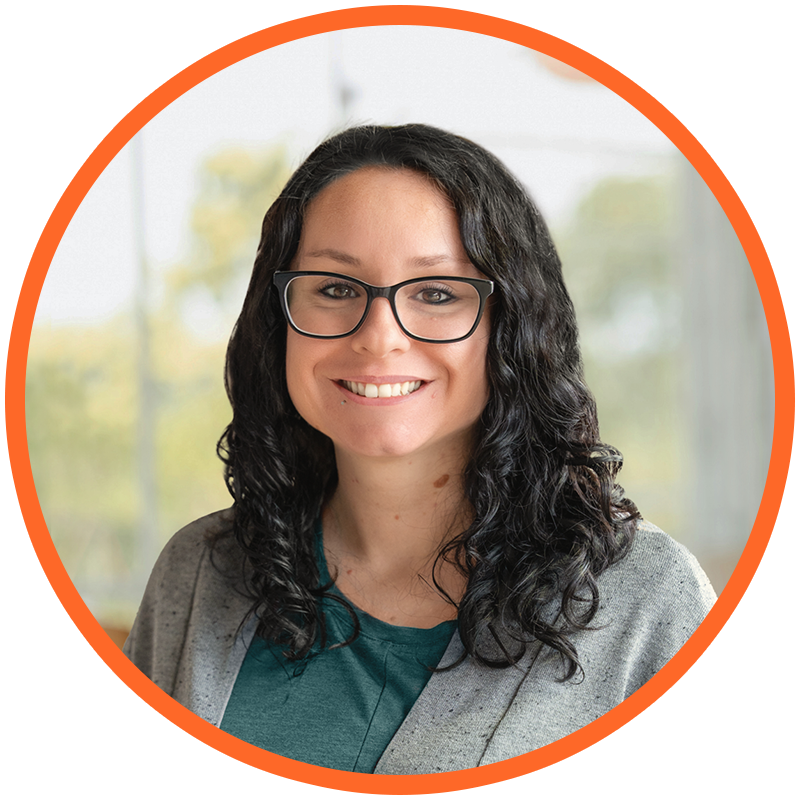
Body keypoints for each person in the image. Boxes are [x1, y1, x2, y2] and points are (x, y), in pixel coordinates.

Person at [123, 124, 716, 774]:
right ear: (278, 320)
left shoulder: (651, 602)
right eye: (335, 288)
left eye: (436, 293)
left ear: (511, 327)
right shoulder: (200, 571)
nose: (379, 338)